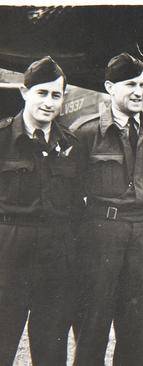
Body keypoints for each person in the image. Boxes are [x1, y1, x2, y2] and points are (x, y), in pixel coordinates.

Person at [72, 52, 143, 365]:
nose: (139, 92)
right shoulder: (85, 133)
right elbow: (72, 195)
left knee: (134, 333)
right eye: (130, 84)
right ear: (109, 87)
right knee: (92, 329)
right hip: (101, 237)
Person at [0, 56, 77, 366]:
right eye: (42, 93)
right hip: (8, 257)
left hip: (55, 262)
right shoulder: (3, 139)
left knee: (51, 352)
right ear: (24, 92)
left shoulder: (71, 143)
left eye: (56, 95)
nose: (49, 102)